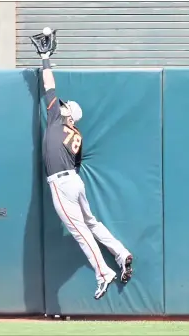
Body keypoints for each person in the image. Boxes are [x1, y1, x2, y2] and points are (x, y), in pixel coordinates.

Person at [39, 50, 134, 300]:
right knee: (91, 223)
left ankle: (103, 273)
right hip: (74, 181)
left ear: (69, 114)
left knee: (81, 231)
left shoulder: (56, 119)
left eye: (65, 107)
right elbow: (77, 163)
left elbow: (49, 85)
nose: (61, 106)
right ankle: (121, 253)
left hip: (61, 183)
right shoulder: (77, 135)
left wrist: (45, 59)